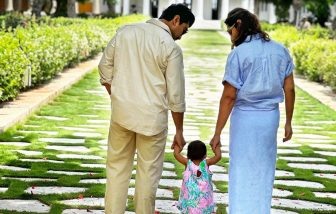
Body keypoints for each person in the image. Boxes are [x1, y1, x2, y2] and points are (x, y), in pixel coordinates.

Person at [98, 4, 195, 214]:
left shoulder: (126, 32)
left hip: (121, 115)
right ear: (176, 20)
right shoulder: (170, 47)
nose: (182, 35)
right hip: (152, 120)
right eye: (184, 30)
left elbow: (104, 69)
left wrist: (118, 97)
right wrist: (179, 131)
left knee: (116, 170)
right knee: (148, 175)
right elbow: (176, 96)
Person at [209, 8, 295, 214]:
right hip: (270, 117)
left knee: (241, 168)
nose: (230, 36)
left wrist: (217, 132)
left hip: (245, 117)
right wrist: (289, 121)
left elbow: (229, 96)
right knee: (264, 169)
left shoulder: (238, 54)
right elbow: (290, 89)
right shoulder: (280, 50)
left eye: (230, 31)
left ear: (238, 24)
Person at [173, 140, 221, 214]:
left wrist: (178, 144)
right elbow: (218, 156)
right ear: (205, 154)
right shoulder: (206, 163)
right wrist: (216, 146)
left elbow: (176, 154)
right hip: (204, 202)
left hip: (189, 200)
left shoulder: (187, 163)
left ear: (188, 155)